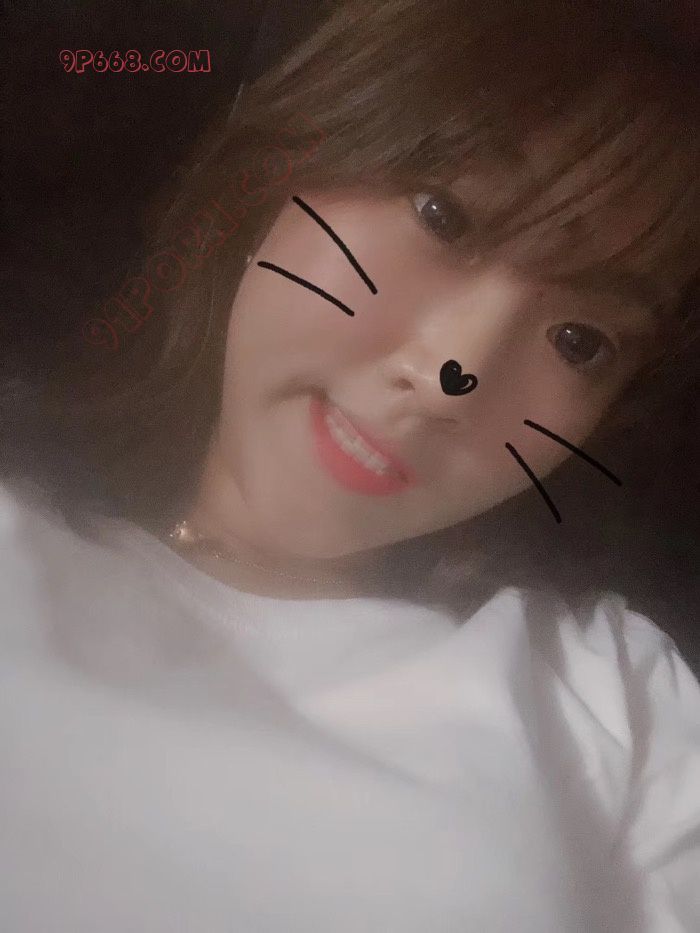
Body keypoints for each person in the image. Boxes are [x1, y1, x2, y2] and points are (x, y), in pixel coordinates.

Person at [1, 0, 699, 929]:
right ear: (279, 169)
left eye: (580, 340)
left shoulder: (613, 697)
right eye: (444, 216)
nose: (455, 374)